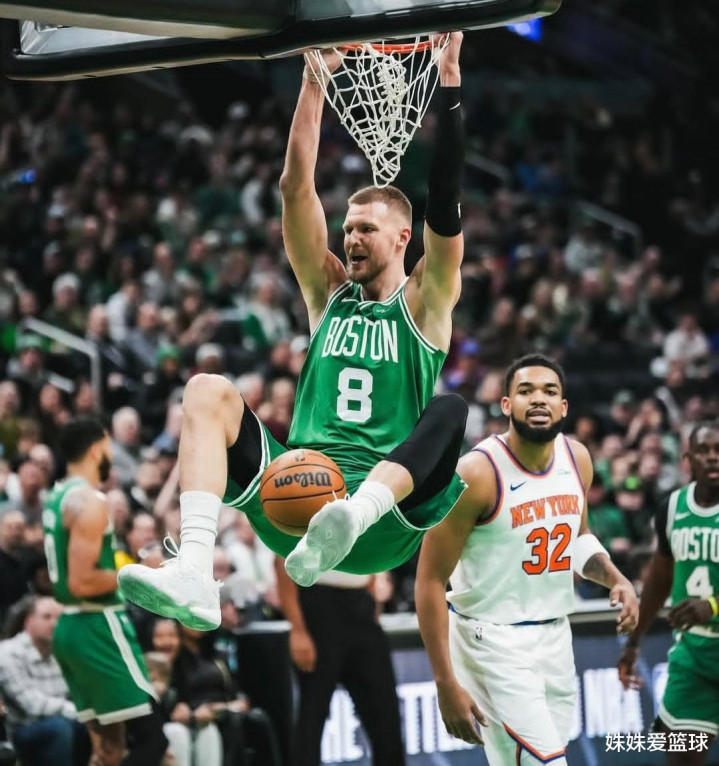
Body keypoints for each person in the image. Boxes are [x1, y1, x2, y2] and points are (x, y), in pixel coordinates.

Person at [118, 32, 469, 629]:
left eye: (365, 230)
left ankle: (355, 513)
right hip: (299, 499)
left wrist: (451, 84)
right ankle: (195, 573)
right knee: (206, 390)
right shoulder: (328, 293)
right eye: (348, 228)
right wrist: (314, 79)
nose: (351, 238)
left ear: (402, 238)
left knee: (451, 409)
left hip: (382, 520)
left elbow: (445, 199)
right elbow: (294, 187)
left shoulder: (426, 299)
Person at [415, 354, 639, 765]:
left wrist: (616, 578)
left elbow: (578, 538)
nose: (538, 399)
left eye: (549, 391)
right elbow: (429, 580)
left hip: (554, 636)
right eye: (525, 391)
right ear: (506, 404)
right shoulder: (476, 473)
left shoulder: (577, 459)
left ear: (563, 407)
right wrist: (445, 682)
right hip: (491, 640)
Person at [42, 417, 167, 766]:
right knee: (153, 739)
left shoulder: (56, 497)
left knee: (108, 750)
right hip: (97, 625)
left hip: (72, 627)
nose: (111, 455)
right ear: (97, 450)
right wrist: (140, 570)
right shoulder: (90, 501)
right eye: (109, 447)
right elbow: (82, 581)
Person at [618, 421, 719, 765]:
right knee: (679, 756)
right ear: (687, 460)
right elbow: (659, 579)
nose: (712, 457)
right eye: (703, 451)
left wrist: (713, 605)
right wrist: (634, 642)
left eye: (718, 451)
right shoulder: (673, 508)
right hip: (693, 656)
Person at [275, 558, 405, 766]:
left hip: (360, 603)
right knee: (312, 716)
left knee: (386, 713)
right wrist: (298, 629)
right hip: (316, 605)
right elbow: (282, 561)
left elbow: (370, 551)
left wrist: (372, 590)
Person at [0, 595, 86, 766]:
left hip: (65, 719)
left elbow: (79, 690)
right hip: (23, 730)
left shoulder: (63, 650)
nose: (54, 623)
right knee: (59, 727)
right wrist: (76, 711)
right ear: (28, 621)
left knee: (93, 725)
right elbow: (31, 704)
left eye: (59, 618)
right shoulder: (8, 653)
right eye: (47, 617)